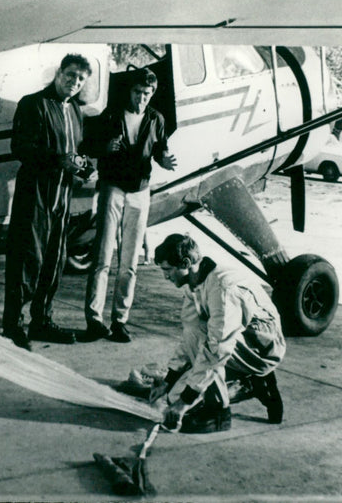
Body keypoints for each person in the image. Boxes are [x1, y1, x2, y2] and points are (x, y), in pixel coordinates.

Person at [2, 54, 96, 350]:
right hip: (36, 193)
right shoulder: (33, 103)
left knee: (54, 260)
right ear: (58, 74)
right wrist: (60, 160)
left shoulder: (76, 111)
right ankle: (13, 324)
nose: (74, 83)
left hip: (63, 195)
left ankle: (41, 320)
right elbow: (21, 147)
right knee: (27, 258)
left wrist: (84, 166)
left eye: (80, 80)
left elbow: (75, 150)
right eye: (70, 76)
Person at [148, 233, 286, 433]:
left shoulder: (222, 289)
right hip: (243, 339)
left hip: (263, 347)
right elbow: (189, 337)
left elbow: (218, 348)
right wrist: (168, 382)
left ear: (186, 263)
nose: (165, 276)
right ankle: (252, 384)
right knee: (180, 381)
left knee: (205, 348)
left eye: (168, 270)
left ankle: (218, 414)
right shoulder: (195, 284)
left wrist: (183, 404)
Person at [78, 67, 176, 343]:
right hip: (113, 188)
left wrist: (164, 159)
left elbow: (160, 148)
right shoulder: (111, 114)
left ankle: (120, 320)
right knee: (102, 257)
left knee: (130, 260)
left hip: (140, 192)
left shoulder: (156, 118)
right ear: (129, 91)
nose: (141, 99)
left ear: (152, 94)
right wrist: (103, 150)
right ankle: (94, 320)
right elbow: (91, 145)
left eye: (147, 94)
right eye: (137, 92)